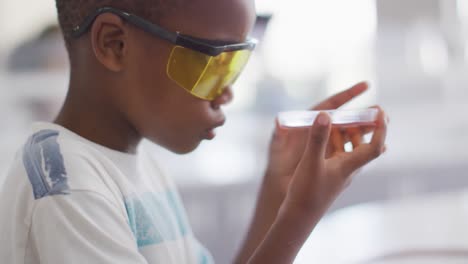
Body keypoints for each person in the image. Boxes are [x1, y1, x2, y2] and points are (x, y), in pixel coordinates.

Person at [0, 0, 388, 263]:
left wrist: (279, 192)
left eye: (237, 63)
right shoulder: (67, 187)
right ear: (114, 43)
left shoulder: (134, 167)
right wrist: (302, 213)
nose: (227, 92)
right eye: (213, 62)